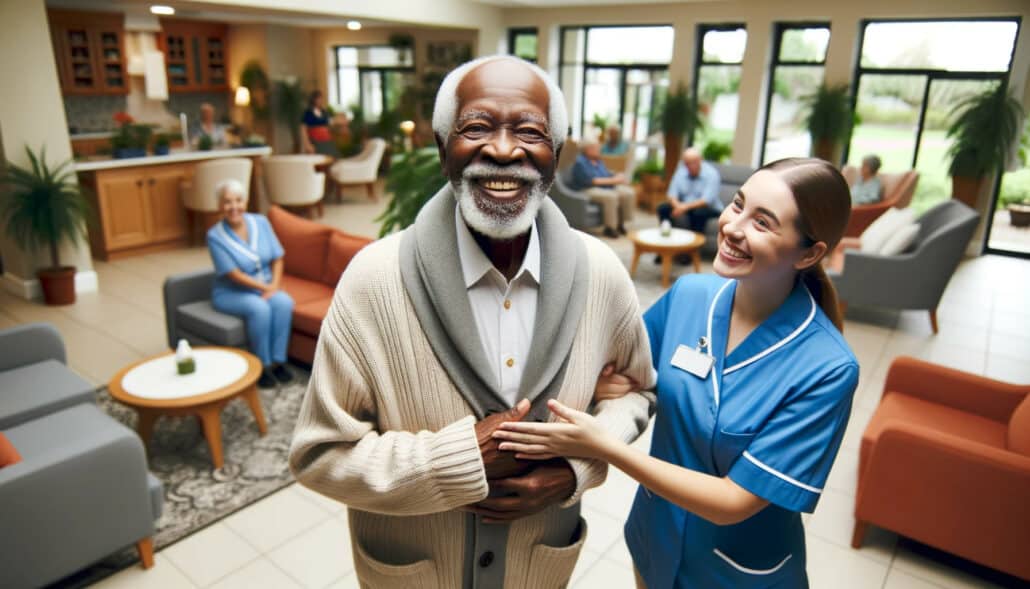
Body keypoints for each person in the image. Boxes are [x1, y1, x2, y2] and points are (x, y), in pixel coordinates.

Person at [288, 55, 656, 589]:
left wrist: (576, 469)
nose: (503, 150)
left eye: (528, 130)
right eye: (477, 127)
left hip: (538, 567)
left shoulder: (601, 273)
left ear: (555, 155)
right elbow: (320, 455)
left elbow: (638, 392)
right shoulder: (373, 279)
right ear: (443, 151)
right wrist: (458, 460)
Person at [494, 157, 859, 588]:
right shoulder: (689, 295)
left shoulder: (828, 368)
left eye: (762, 223)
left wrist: (606, 447)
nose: (733, 227)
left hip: (736, 574)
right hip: (655, 539)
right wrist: (611, 384)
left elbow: (733, 501)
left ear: (809, 253)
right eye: (737, 205)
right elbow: (629, 377)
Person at [206, 179, 294, 389]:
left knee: (284, 303)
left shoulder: (261, 222)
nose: (234, 207)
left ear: (245, 202)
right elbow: (234, 275)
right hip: (232, 292)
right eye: (227, 202)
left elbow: (278, 257)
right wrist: (267, 289)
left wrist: (274, 285)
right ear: (219, 206)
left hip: (264, 287)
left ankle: (278, 361)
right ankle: (261, 366)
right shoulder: (214, 236)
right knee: (260, 308)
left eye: (238, 200)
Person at [569, 138, 635, 237]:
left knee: (627, 193)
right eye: (596, 147)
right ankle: (610, 228)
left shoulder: (598, 160)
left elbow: (606, 174)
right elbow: (593, 181)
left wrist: (617, 176)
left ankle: (620, 223)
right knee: (611, 196)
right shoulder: (580, 162)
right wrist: (615, 180)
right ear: (588, 149)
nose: (599, 149)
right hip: (587, 189)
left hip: (604, 186)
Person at [659, 147, 723, 233]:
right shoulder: (681, 172)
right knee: (663, 208)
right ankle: (667, 236)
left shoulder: (712, 174)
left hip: (708, 208)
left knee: (698, 213)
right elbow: (672, 194)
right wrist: (677, 206)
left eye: (694, 162)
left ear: (701, 160)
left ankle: (695, 242)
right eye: (687, 163)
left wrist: (683, 207)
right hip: (685, 206)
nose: (691, 166)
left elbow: (706, 201)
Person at [300, 90, 336, 156]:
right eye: (318, 98)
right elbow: (303, 129)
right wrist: (307, 144)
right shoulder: (308, 112)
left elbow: (329, 123)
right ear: (313, 99)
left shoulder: (324, 112)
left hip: (326, 140)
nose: (320, 100)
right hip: (315, 141)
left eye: (321, 98)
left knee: (331, 157)